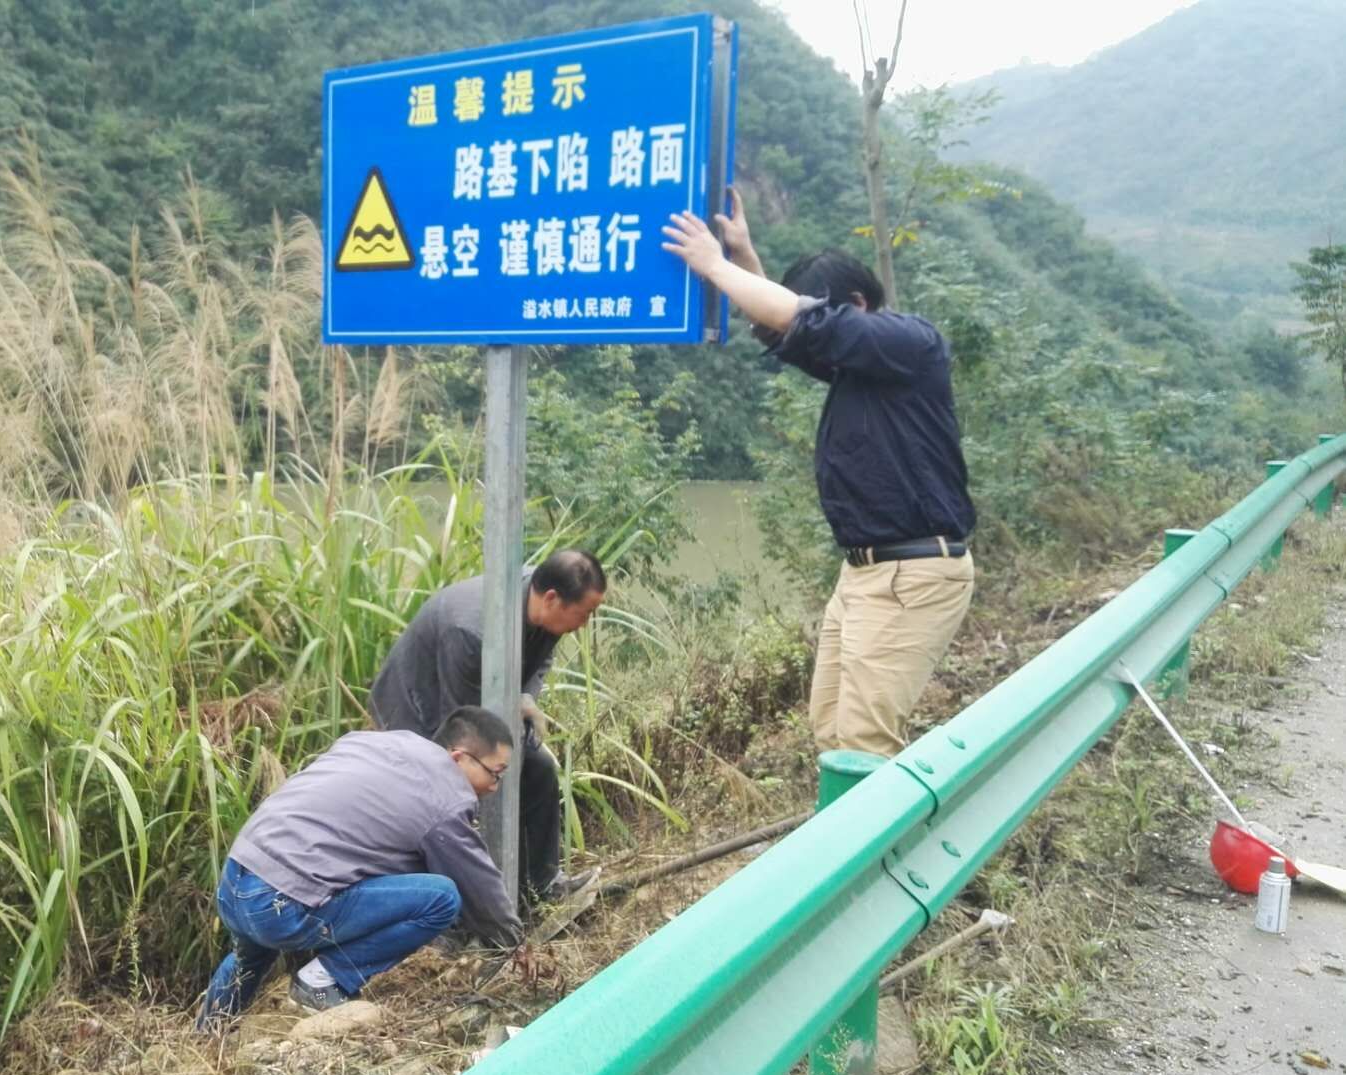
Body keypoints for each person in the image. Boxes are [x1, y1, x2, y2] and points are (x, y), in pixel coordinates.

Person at [662, 192, 976, 760]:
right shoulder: (860, 369)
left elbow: (803, 322)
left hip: (914, 574)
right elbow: (788, 329)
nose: (819, 334)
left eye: (828, 318)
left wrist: (715, 265)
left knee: (863, 743)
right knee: (830, 728)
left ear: (857, 305)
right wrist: (746, 257)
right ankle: (849, 839)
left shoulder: (910, 342)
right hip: (864, 573)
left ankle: (881, 850)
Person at [195, 707, 523, 1028]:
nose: (495, 786)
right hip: (280, 904)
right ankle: (321, 979)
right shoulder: (448, 797)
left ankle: (206, 1037)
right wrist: (514, 943)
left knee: (248, 959)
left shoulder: (375, 743)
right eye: (494, 773)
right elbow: (478, 887)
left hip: (238, 878)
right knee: (442, 898)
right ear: (458, 757)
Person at [367, 549, 605, 904]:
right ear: (553, 598)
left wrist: (525, 695)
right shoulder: (470, 629)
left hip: (485, 698)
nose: (585, 623)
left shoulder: (542, 599)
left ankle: (542, 884)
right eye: (584, 613)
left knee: (537, 770)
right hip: (418, 708)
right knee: (442, 801)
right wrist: (494, 762)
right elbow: (461, 722)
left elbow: (543, 658)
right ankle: (451, 914)